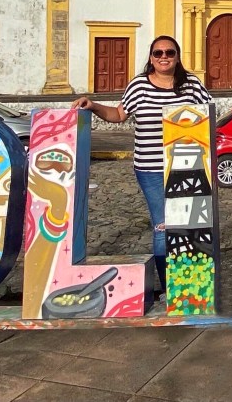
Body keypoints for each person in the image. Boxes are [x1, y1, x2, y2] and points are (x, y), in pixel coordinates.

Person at [70, 35, 211, 294]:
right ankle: (169, 287)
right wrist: (93, 105)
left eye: (169, 52)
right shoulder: (139, 86)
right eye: (158, 53)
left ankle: (189, 287)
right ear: (151, 57)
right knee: (164, 224)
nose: (164, 57)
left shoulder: (191, 85)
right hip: (151, 168)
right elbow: (119, 114)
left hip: (187, 165)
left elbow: (207, 114)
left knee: (189, 225)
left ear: (178, 56)